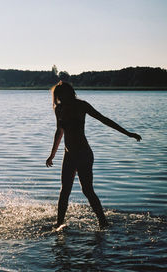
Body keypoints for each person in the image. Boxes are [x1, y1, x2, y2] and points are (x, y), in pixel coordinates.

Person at [46, 81, 141, 229]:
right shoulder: (59, 109)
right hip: (68, 155)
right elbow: (59, 131)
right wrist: (52, 155)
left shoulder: (81, 105)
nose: (59, 98)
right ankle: (59, 223)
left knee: (87, 190)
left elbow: (104, 119)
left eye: (62, 94)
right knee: (64, 190)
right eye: (57, 96)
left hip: (83, 153)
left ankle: (103, 222)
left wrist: (127, 133)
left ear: (69, 93)